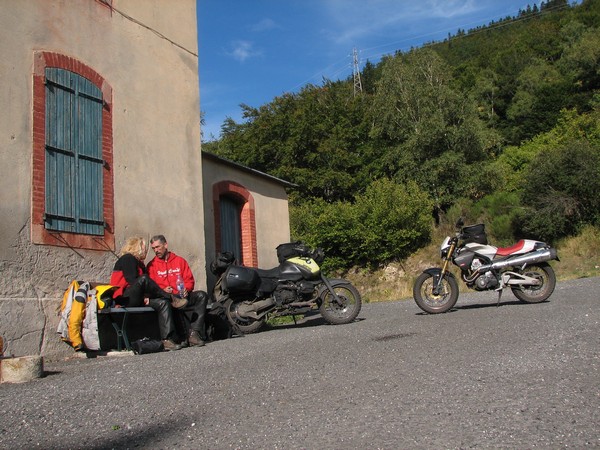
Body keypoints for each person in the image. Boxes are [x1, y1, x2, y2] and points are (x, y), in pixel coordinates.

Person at [110, 236, 184, 351]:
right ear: (137, 247)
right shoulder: (128, 259)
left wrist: (147, 297)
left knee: (163, 303)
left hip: (138, 297)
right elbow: (132, 281)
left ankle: (167, 339)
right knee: (144, 279)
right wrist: (144, 295)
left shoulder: (140, 264)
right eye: (145, 248)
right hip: (124, 298)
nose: (146, 251)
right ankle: (171, 297)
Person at [147, 235, 209, 347]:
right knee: (170, 302)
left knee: (202, 295)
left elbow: (189, 280)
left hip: (182, 296)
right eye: (153, 248)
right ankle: (176, 338)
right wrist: (163, 290)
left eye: (158, 247)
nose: (156, 250)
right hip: (167, 298)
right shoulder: (152, 266)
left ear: (165, 245)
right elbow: (151, 287)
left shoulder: (179, 261)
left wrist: (187, 289)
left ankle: (194, 334)